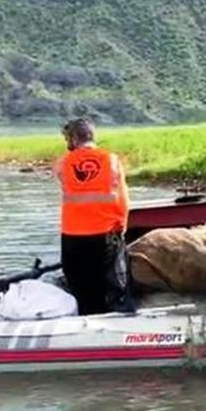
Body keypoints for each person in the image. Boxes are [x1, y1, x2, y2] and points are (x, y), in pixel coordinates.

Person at [55, 118, 133, 315]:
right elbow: (123, 199)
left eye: (67, 139)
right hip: (105, 234)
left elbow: (62, 174)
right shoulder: (112, 160)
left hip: (72, 235)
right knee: (111, 286)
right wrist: (122, 227)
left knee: (80, 288)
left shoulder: (63, 163)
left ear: (73, 138)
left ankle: (84, 323)